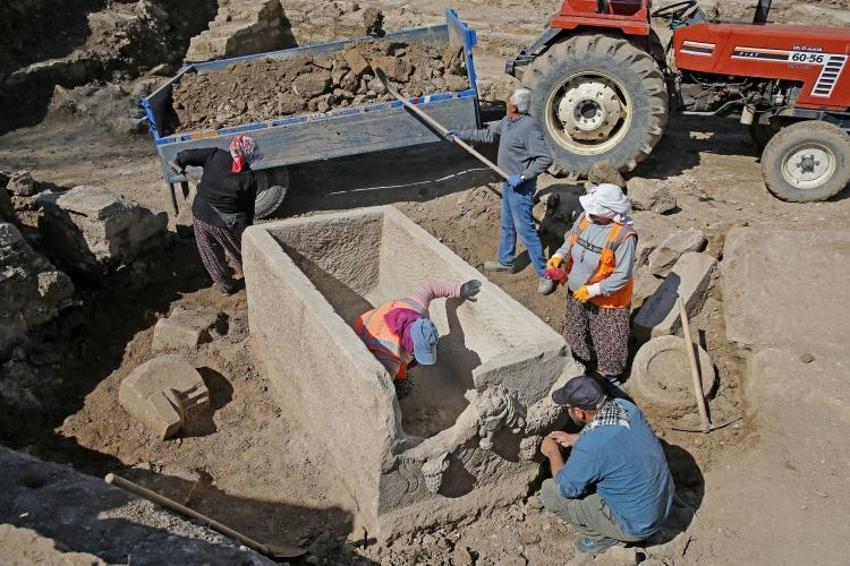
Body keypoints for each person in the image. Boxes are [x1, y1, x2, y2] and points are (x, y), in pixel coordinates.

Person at [539, 375, 674, 554]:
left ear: (579, 412)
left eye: (568, 409)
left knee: (550, 491)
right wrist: (575, 439)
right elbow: (614, 441)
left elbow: (566, 488)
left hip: (637, 526)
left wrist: (552, 452)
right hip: (664, 505)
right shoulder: (626, 407)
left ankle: (602, 538)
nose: (568, 412)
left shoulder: (591, 447)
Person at [448, 87, 555, 295]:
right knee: (507, 224)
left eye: (508, 101)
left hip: (520, 187)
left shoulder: (529, 127)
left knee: (526, 231)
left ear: (515, 106)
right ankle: (506, 261)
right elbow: (488, 133)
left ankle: (544, 274)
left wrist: (523, 176)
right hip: (507, 182)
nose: (505, 103)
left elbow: (544, 158)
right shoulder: (507, 122)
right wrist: (461, 134)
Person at [546, 183, 637, 392]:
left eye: (595, 212)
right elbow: (571, 240)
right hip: (577, 290)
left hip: (607, 301)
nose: (590, 214)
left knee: (609, 340)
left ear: (610, 212)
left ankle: (609, 379)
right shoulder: (585, 218)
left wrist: (593, 290)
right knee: (576, 330)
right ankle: (582, 365)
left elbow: (622, 275)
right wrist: (559, 255)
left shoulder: (624, 236)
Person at [353, 279, 481, 398]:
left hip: (370, 321)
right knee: (404, 388)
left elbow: (430, 287)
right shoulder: (389, 357)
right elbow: (381, 390)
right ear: (408, 344)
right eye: (416, 351)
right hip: (363, 344)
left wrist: (460, 290)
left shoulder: (414, 307)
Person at [172, 135, 263, 295]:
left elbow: (186, 155)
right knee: (240, 252)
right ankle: (256, 278)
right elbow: (247, 209)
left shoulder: (215, 155)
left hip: (200, 214)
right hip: (224, 224)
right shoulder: (249, 178)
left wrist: (179, 161)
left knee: (209, 254)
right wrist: (247, 230)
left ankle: (225, 286)